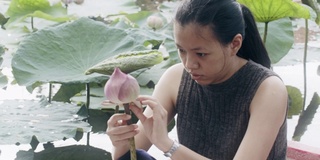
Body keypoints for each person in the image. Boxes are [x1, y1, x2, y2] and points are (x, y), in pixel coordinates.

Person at [106, 0, 288, 159]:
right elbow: (129, 156)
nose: (189, 64)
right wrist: (121, 141)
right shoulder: (175, 78)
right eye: (181, 50)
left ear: (235, 44)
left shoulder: (267, 89)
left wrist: (168, 145)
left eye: (201, 54)